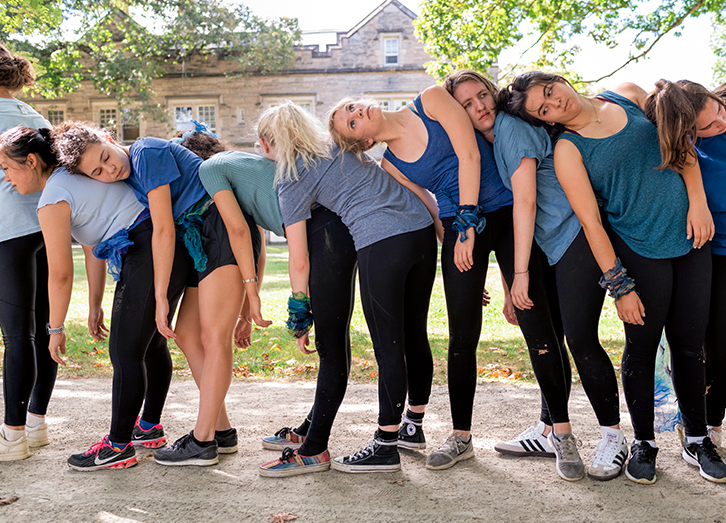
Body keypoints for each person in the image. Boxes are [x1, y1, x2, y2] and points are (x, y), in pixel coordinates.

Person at [329, 86, 579, 479]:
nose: (356, 110)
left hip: (503, 213)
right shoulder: (391, 164)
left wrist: (466, 226)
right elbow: (429, 206)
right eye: (352, 120)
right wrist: (459, 252)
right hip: (461, 233)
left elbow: (470, 154)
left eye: (351, 106)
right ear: (366, 140)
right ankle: (461, 436)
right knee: (462, 337)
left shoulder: (431, 99)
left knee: (537, 327)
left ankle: (562, 434)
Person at [505, 71, 726, 484]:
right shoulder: (569, 149)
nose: (555, 105)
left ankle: (697, 439)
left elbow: (681, 146)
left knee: (690, 344)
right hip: (640, 249)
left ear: (562, 81)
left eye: (550, 93)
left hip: (692, 239)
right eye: (543, 109)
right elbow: (591, 224)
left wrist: (698, 202)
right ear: (545, 120)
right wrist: (620, 286)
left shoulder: (627, 95)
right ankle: (644, 442)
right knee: (641, 348)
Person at [443, 69, 627, 481]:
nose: (479, 107)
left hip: (575, 233)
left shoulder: (509, 129)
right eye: (467, 106)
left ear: (493, 94)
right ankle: (548, 430)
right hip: (556, 244)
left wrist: (519, 274)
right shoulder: (490, 140)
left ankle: (614, 438)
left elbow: (525, 201)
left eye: (482, 96)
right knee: (557, 336)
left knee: (579, 339)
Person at [52, 122, 267, 467]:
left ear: (109, 138)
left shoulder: (146, 151)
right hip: (199, 237)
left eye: (106, 157)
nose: (110, 169)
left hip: (218, 229)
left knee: (214, 337)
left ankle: (203, 440)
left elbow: (164, 230)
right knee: (185, 335)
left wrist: (161, 295)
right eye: (98, 171)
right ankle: (221, 431)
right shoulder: (131, 173)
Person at [0, 125, 193, 470]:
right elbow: (93, 245)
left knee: (125, 350)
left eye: (7, 169)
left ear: (30, 161)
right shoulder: (71, 176)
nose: (7, 179)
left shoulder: (52, 199)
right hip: (160, 246)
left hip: (148, 247)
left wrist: (55, 328)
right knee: (148, 346)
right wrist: (95, 303)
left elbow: (60, 274)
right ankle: (148, 427)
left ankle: (118, 446)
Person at [258, 101, 436, 474]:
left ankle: (385, 445)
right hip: (420, 232)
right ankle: (412, 427)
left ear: (266, 144)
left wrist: (299, 309)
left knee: (388, 346)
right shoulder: (338, 143)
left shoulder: (291, 178)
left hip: (382, 240)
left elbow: (299, 258)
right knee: (414, 334)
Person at [645, 79, 726, 450]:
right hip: (712, 251)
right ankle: (708, 423)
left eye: (720, 112)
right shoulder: (682, 148)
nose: (720, 125)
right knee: (712, 344)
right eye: (708, 126)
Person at [0, 45, 57, 461]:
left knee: (18, 334)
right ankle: (35, 424)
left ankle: (12, 438)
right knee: (39, 331)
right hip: (45, 228)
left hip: (8, 234)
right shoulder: (35, 118)